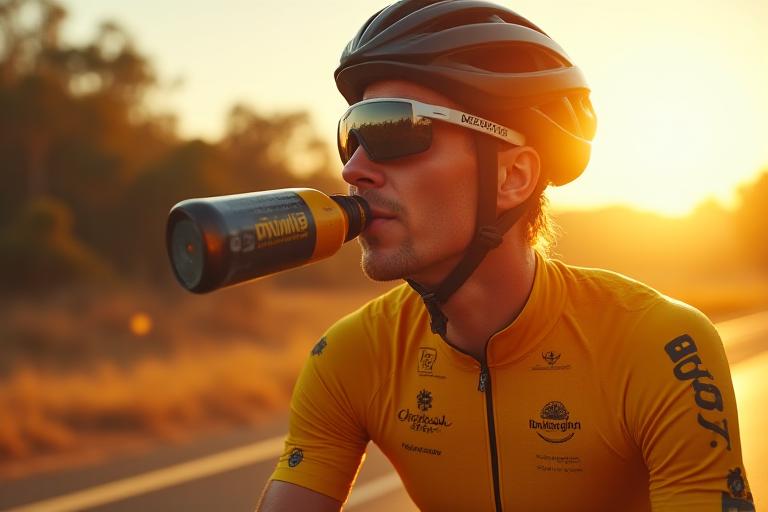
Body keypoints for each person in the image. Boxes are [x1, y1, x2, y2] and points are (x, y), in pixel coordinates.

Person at [257, 1, 754, 510]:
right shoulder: (352, 354)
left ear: (513, 176)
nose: (352, 170)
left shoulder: (658, 345)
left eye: (392, 129)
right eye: (351, 136)